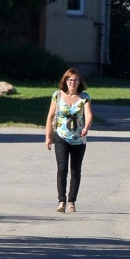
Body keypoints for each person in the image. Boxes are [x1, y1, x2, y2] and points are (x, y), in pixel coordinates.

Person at [45, 68, 93, 213]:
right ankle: (61, 201)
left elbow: (89, 114)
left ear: (80, 82)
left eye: (76, 80)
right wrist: (48, 137)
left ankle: (72, 201)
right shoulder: (57, 96)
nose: (73, 83)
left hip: (79, 139)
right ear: (65, 81)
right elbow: (50, 116)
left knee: (75, 171)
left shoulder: (84, 97)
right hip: (61, 137)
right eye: (70, 80)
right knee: (62, 169)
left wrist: (86, 127)